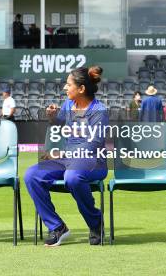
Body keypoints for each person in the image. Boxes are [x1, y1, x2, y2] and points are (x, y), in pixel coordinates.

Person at [24, 66, 108, 247]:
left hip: (92, 160)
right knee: (31, 175)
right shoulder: (68, 105)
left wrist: (61, 152)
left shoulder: (99, 111)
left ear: (81, 89)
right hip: (67, 159)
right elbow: (60, 126)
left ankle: (95, 223)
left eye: (68, 84)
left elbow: (92, 144)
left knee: (73, 177)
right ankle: (57, 227)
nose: (65, 87)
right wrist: (53, 117)